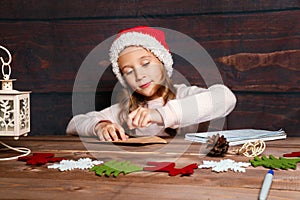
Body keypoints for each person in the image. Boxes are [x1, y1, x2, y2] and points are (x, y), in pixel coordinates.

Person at [66, 26, 237, 141]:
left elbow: (225, 98)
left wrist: (160, 114)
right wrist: (100, 126)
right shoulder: (126, 111)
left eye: (146, 63)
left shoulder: (183, 95)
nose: (140, 75)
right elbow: (74, 124)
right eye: (129, 71)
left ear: (163, 62)